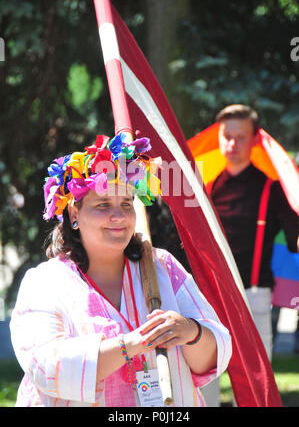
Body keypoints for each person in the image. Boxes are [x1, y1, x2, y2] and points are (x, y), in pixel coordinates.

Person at [10, 132, 232, 407]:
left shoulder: (162, 265)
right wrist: (132, 343)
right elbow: (47, 366)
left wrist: (190, 331)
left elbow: (215, 353)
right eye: (103, 205)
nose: (119, 217)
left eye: (126, 204)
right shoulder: (45, 282)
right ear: (74, 214)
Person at [207, 104, 298, 361]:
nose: (232, 143)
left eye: (241, 137)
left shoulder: (273, 189)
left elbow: (294, 238)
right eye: (227, 136)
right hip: (211, 293)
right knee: (207, 377)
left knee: (258, 382)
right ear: (218, 137)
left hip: (255, 293)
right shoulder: (207, 187)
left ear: (255, 139)